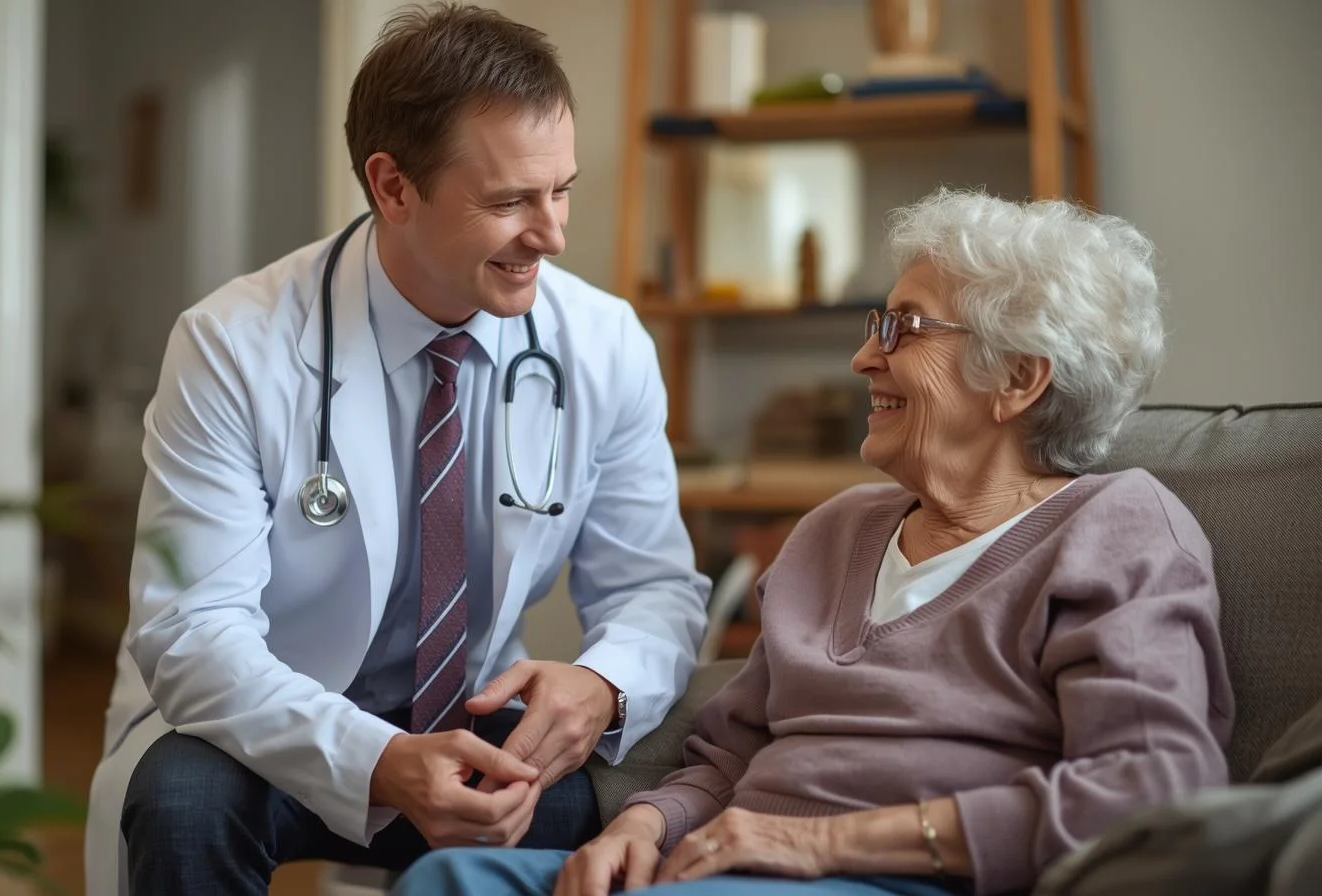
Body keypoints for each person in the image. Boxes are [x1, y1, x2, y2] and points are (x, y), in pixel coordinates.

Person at [390, 188, 1237, 896]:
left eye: (905, 328)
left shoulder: (1117, 530)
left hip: (912, 879)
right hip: (733, 865)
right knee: (450, 881)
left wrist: (824, 845)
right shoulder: (838, 530)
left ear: (1018, 378)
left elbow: (1150, 790)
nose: (864, 356)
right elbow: (730, 752)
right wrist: (644, 826)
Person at [81, 5, 711, 895]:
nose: (554, 233)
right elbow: (193, 630)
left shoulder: (603, 345)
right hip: (271, 721)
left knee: (613, 813)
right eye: (509, 201)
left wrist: (602, 684)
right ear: (393, 187)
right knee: (184, 801)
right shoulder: (233, 344)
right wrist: (379, 760)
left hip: (471, 721)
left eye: (560, 189)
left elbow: (653, 585)